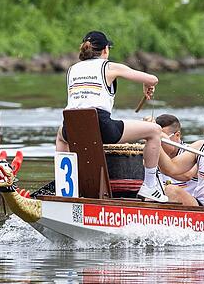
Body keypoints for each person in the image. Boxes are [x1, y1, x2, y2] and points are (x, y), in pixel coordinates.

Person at [55, 31, 167, 202]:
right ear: (105, 50)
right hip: (102, 127)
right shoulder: (109, 66)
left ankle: (64, 187)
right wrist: (147, 84)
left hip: (71, 126)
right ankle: (150, 187)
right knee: (154, 131)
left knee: (61, 137)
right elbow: (154, 79)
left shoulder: (71, 70)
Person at [154, 114, 199, 199]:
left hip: (189, 204)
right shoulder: (154, 150)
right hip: (163, 202)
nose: (159, 142)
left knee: (171, 190)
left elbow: (187, 175)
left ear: (177, 135)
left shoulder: (192, 151)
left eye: (163, 138)